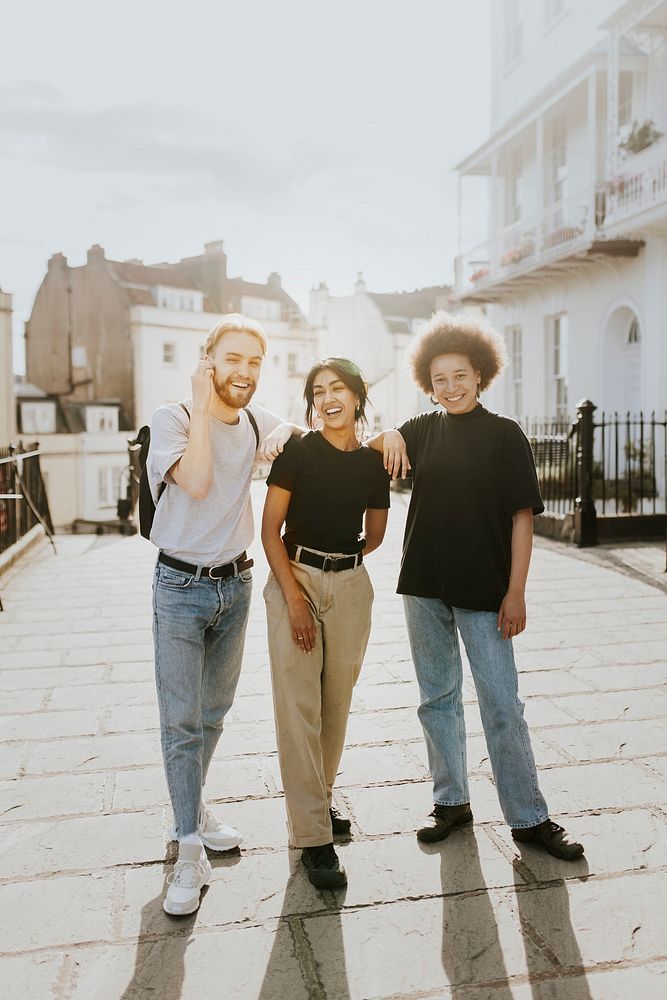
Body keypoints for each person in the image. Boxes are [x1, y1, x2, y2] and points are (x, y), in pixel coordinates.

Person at [369, 312, 584, 861]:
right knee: (436, 700)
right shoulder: (421, 429)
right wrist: (389, 430)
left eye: (460, 375)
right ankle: (451, 802)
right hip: (424, 585)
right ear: (428, 382)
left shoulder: (505, 435)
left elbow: (521, 518)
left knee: (501, 704)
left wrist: (516, 592)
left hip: (487, 592)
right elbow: (370, 446)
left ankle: (530, 817)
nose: (450, 387)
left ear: (480, 374)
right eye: (439, 379)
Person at [148, 313, 301, 915]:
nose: (244, 372)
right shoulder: (175, 420)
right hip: (179, 587)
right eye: (232, 359)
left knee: (213, 713)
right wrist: (199, 398)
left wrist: (282, 429)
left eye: (254, 362)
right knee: (181, 721)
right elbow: (201, 480)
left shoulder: (258, 419)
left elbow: (289, 427)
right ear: (208, 359)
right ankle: (188, 850)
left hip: (234, 586)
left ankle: (193, 808)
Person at [261, 358, 390, 888]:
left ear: (358, 396)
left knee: (335, 707)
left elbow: (376, 534)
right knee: (299, 710)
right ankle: (313, 838)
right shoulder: (297, 451)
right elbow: (270, 530)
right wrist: (294, 596)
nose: (327, 397)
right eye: (318, 391)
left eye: (338, 388)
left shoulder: (373, 464)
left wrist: (345, 568)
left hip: (351, 587)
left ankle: (319, 803)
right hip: (296, 577)